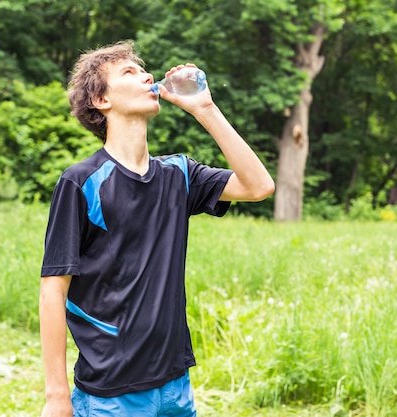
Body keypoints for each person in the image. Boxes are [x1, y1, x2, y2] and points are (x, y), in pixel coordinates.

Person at [39, 40, 275, 417]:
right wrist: (57, 396)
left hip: (175, 384)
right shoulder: (81, 182)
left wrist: (205, 108)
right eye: (129, 72)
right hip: (111, 395)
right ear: (101, 100)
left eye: (143, 69)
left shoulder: (178, 174)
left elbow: (258, 186)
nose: (147, 75)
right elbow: (53, 290)